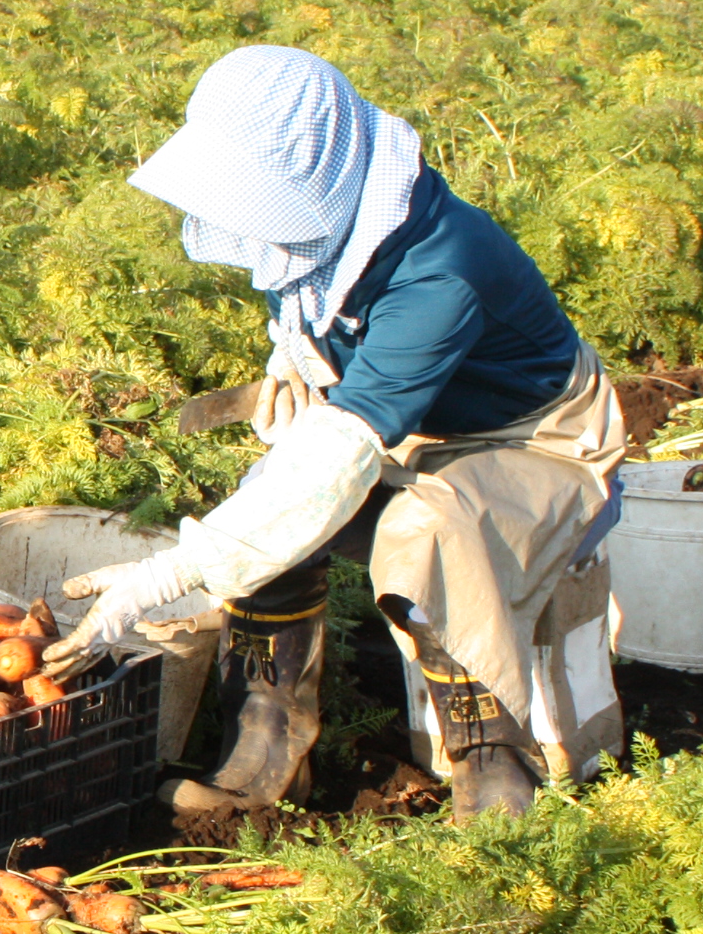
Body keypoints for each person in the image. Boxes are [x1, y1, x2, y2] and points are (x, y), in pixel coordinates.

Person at [41, 47, 625, 822]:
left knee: (429, 526)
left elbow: (346, 450)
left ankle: (491, 760)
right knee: (267, 505)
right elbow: (320, 345)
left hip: (533, 444)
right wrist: (298, 372)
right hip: (410, 427)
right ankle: (266, 746)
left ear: (323, 174)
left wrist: (165, 576)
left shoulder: (441, 269)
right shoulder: (342, 234)